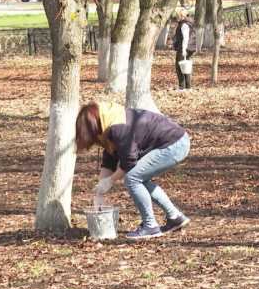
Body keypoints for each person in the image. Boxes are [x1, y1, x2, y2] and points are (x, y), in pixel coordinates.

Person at [75, 101, 191, 239]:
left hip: (175, 143)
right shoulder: (107, 123)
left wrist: (110, 181)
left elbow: (129, 161)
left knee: (132, 178)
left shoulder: (118, 127)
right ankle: (175, 217)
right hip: (173, 142)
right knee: (139, 178)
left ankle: (150, 226)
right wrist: (100, 191)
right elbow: (109, 161)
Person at [172, 9, 196, 90]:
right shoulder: (188, 23)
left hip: (184, 48)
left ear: (181, 16)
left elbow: (186, 38)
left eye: (178, 15)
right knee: (185, 66)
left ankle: (182, 87)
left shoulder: (184, 24)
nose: (177, 17)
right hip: (189, 47)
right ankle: (188, 87)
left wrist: (184, 50)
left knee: (180, 67)